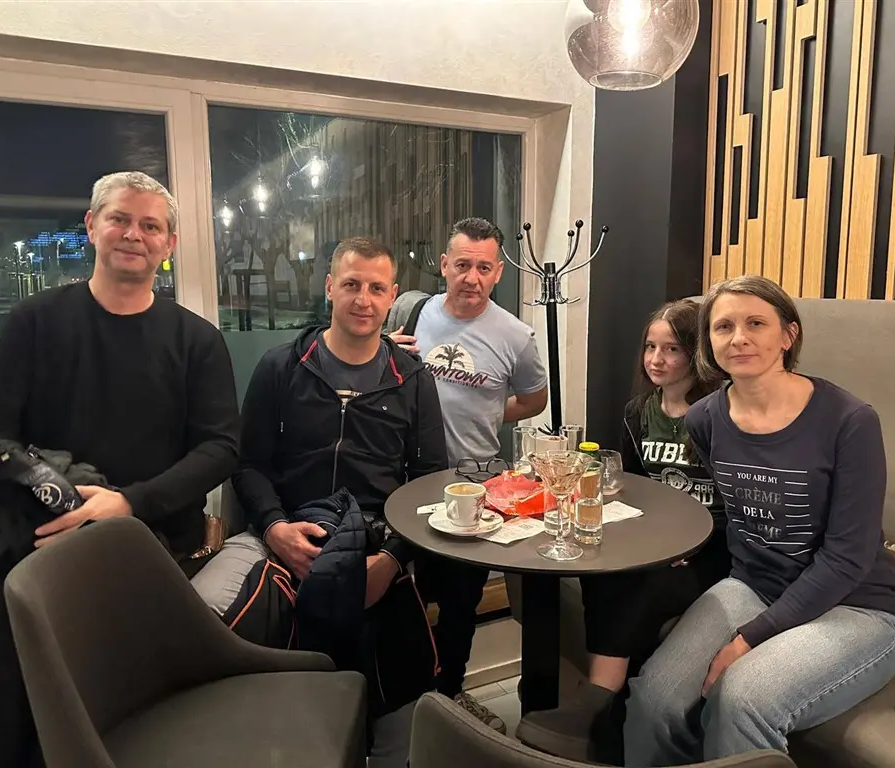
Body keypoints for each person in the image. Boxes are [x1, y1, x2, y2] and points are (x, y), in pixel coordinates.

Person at [0, 171, 240, 768]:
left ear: (169, 244)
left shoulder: (198, 342)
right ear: (91, 226)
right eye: (120, 219)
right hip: (33, 551)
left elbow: (220, 448)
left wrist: (128, 503)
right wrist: (54, 495)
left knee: (133, 734)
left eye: (150, 225)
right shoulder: (33, 322)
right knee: (8, 734)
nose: (134, 234)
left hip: (147, 557)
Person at [623, 276, 895, 765]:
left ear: (788, 335)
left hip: (857, 606)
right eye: (723, 327)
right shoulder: (704, 418)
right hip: (753, 585)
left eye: (756, 323)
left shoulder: (850, 420)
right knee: (655, 699)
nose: (739, 338)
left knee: (742, 699)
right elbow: (732, 515)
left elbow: (849, 557)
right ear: (708, 342)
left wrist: (750, 638)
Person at [232, 236, 448, 768]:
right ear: (330, 287)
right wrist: (275, 529)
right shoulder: (281, 368)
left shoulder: (413, 381)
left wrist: (392, 558)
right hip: (286, 534)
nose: (363, 300)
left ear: (392, 296)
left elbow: (429, 483)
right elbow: (248, 464)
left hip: (378, 543)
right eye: (352, 284)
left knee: (399, 693)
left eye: (376, 288)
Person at [515, 299, 728, 762]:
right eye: (650, 347)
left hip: (710, 549)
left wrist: (689, 546)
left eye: (671, 349)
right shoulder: (639, 412)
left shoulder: (719, 414)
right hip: (658, 541)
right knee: (604, 571)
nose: (656, 359)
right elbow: (634, 488)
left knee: (642, 585)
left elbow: (736, 502)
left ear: (696, 353)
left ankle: (597, 710)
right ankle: (605, 713)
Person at [390, 217, 548, 730]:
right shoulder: (410, 313)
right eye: (462, 265)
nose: (471, 278)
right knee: (406, 596)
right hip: (407, 483)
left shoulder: (516, 335)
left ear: (498, 272)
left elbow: (534, 399)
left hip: (475, 487)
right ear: (444, 265)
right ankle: (404, 699)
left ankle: (449, 696)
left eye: (483, 268)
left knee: (461, 603)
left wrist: (487, 414)